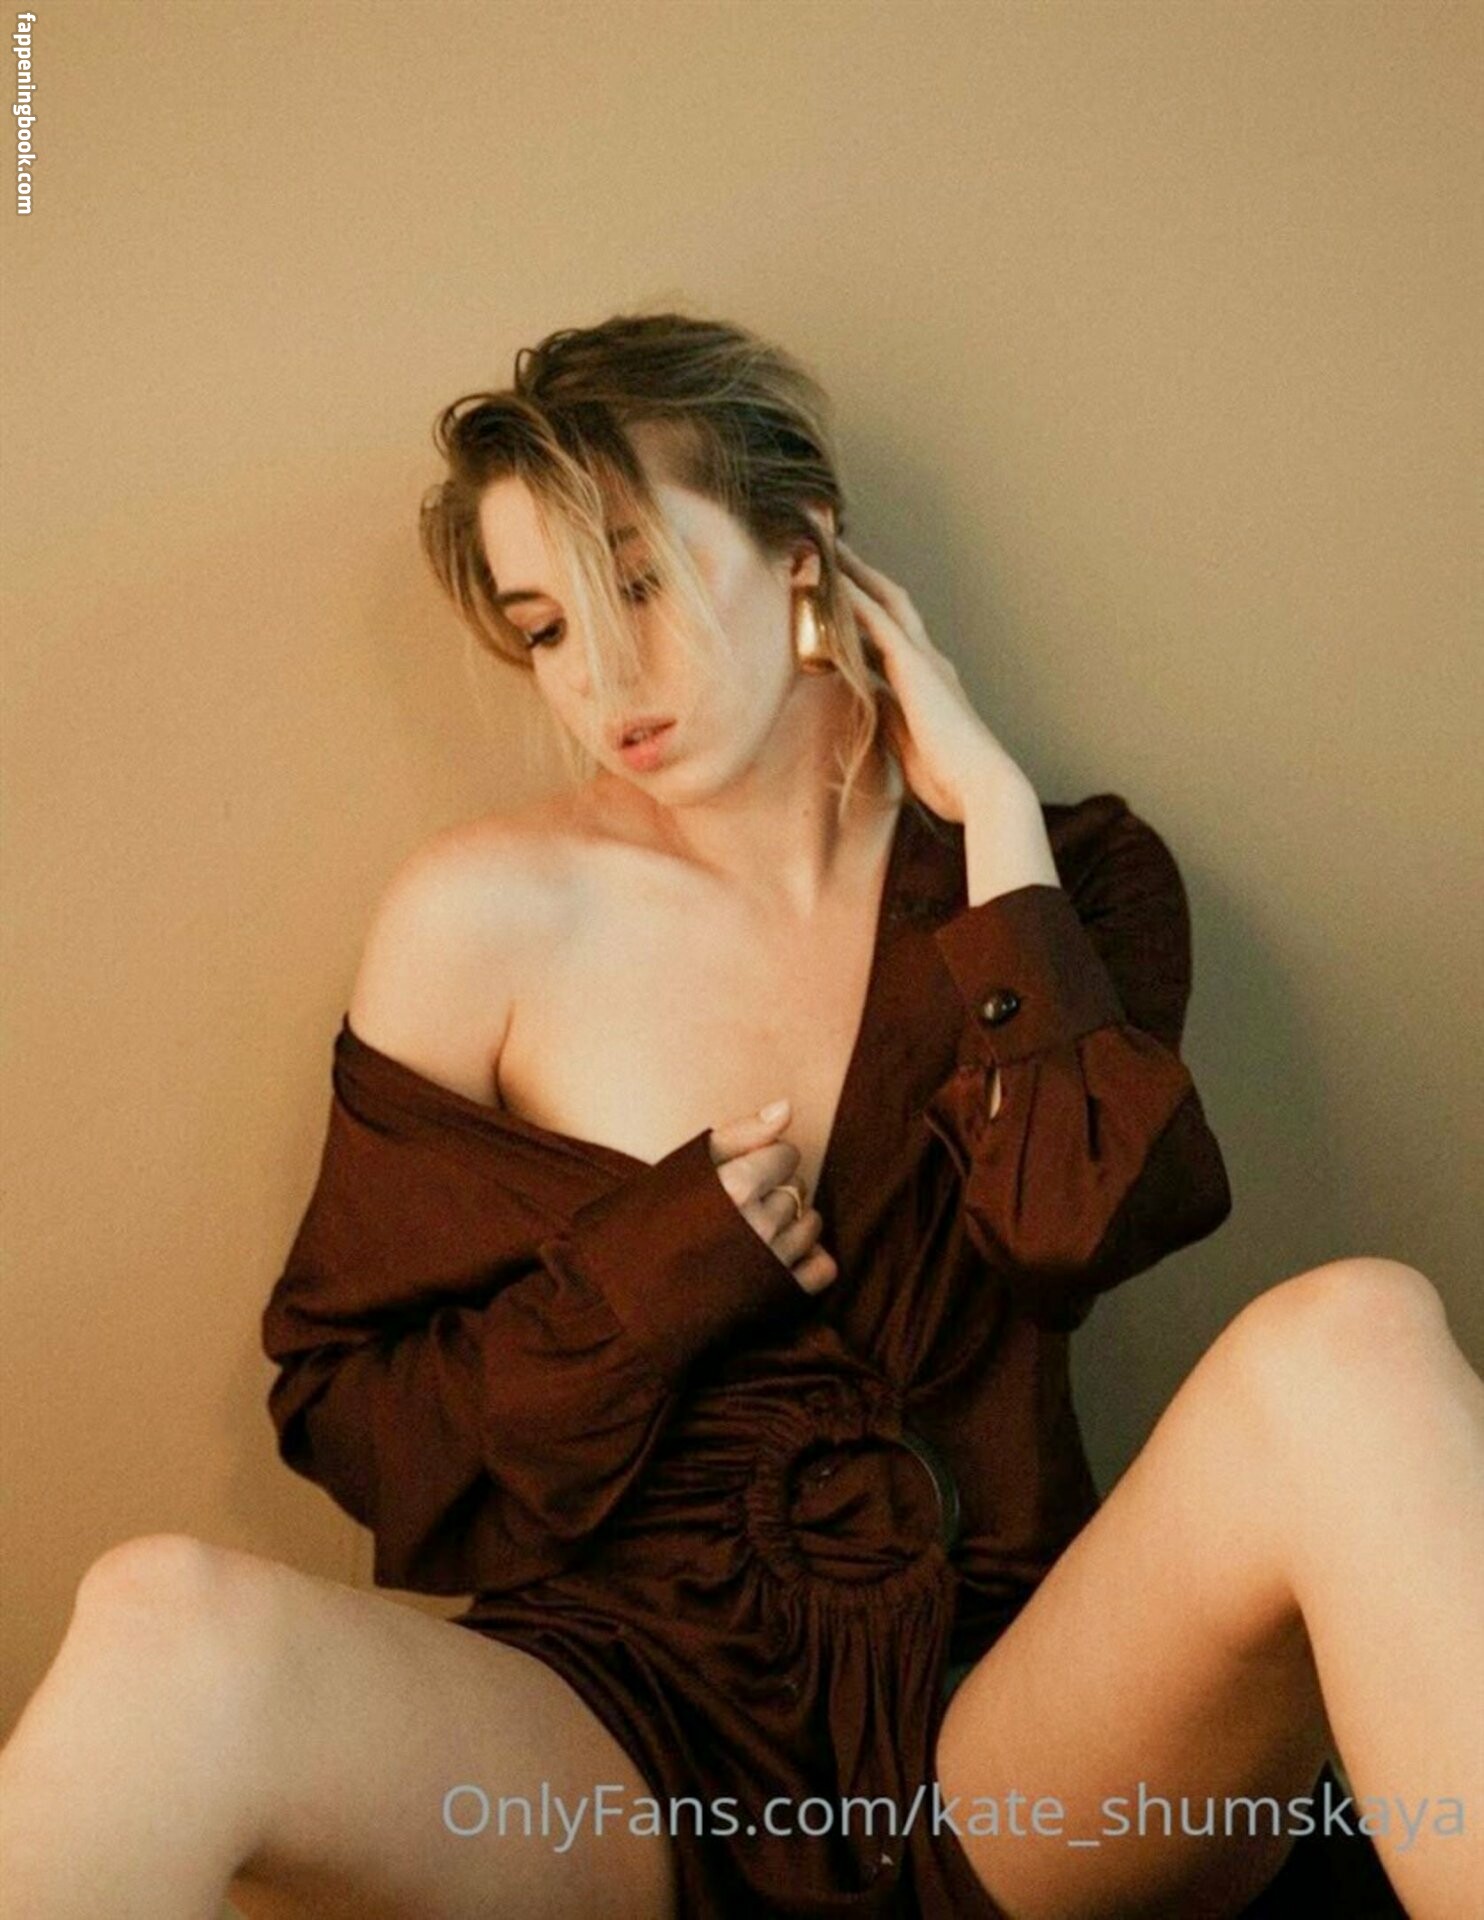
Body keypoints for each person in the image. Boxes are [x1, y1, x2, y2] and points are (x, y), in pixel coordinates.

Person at [1, 311, 1480, 1920]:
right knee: (163, 1614)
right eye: (548, 627)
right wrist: (651, 1281)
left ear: (803, 551)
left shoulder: (1070, 879)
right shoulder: (484, 916)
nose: (601, 677)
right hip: (614, 1736)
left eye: (640, 583)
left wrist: (993, 823)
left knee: (1354, 1339)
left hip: (1008, 1725)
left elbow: (1075, 1236)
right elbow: (356, 1413)